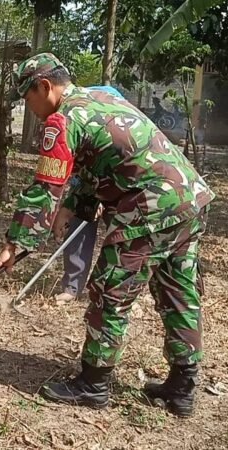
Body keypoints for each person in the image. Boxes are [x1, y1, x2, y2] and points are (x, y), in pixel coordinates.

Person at [0, 53, 215, 417]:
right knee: (179, 292)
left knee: (110, 291)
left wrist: (16, 244)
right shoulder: (102, 98)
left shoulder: (62, 120)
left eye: (27, 97)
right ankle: (182, 388)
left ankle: (93, 384)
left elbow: (45, 189)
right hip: (189, 199)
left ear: (44, 86)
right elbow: (101, 163)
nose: (29, 107)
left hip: (151, 207)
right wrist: (75, 206)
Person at [53, 85, 125, 303]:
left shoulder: (118, 126)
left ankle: (115, 292)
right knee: (79, 222)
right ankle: (72, 286)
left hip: (120, 184)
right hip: (88, 180)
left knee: (122, 236)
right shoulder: (73, 120)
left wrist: (104, 194)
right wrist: (71, 204)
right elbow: (77, 169)